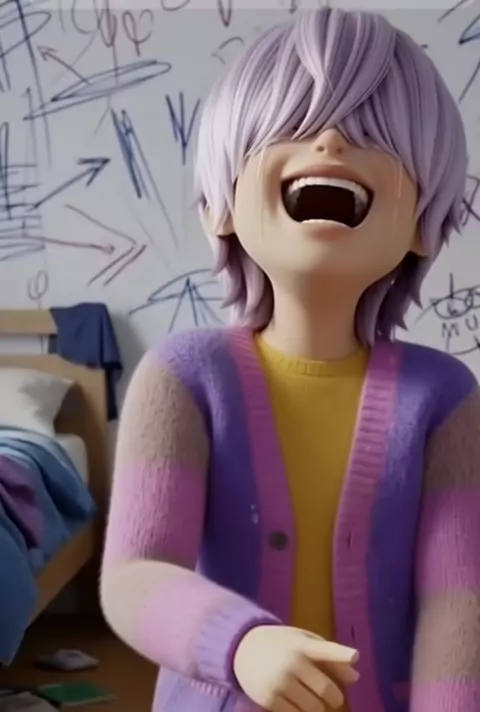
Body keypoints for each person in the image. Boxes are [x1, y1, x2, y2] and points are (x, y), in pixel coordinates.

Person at [100, 6, 480, 712]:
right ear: (219, 207)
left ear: (423, 225)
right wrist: (239, 644)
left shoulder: (445, 398)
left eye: (375, 134)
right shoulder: (183, 376)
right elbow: (135, 573)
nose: (332, 140)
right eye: (294, 124)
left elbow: (457, 601)